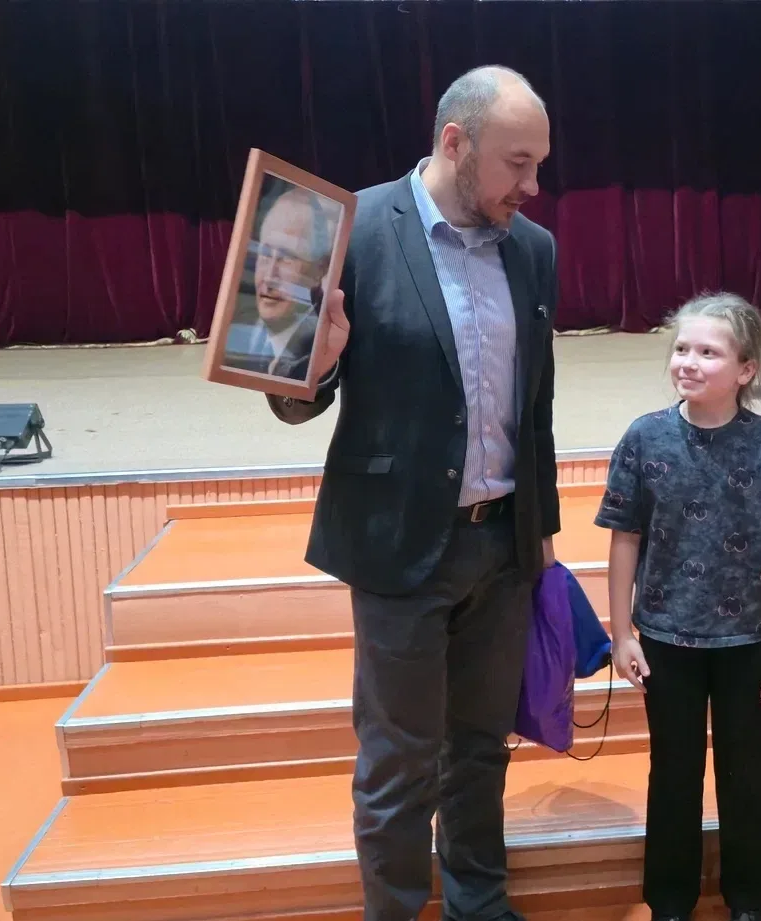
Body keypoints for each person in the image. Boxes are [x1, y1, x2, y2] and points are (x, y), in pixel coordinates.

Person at [265, 66, 559, 921]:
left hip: (502, 545)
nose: (533, 186)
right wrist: (312, 361)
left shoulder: (533, 249)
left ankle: (479, 904)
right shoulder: (349, 230)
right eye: (517, 164)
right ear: (455, 143)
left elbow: (535, 404)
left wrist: (538, 533)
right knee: (399, 763)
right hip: (398, 544)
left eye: (539, 165)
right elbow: (292, 400)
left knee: (481, 747)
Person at [595, 293, 761, 921]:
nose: (688, 362)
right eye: (682, 349)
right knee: (673, 770)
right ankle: (671, 898)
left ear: (746, 370)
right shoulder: (644, 437)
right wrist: (622, 633)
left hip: (750, 638)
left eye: (708, 352)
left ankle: (752, 896)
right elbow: (624, 539)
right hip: (667, 637)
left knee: (747, 769)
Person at [225, 187, 337, 381]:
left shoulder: (322, 345)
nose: (269, 276)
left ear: (320, 269)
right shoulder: (238, 335)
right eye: (265, 254)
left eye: (287, 258)